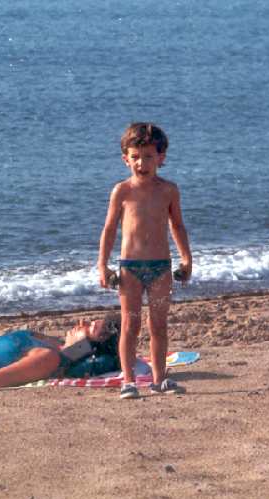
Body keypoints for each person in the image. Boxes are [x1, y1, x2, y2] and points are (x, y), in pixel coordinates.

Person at [97, 122, 193, 399]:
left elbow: (177, 226)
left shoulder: (169, 190)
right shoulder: (122, 191)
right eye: (136, 157)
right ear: (125, 159)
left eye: (149, 156)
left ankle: (159, 379)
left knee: (159, 325)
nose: (142, 163)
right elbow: (109, 229)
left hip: (161, 268)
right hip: (130, 268)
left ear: (161, 158)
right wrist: (103, 265)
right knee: (131, 325)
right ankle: (128, 381)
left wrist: (186, 259)